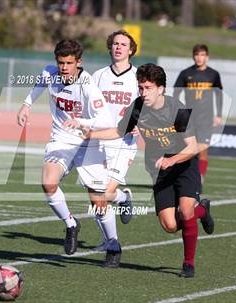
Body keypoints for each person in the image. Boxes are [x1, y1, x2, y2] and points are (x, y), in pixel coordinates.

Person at [74, 63, 215, 278]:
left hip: (185, 165)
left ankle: (188, 264)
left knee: (186, 211)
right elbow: (119, 131)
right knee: (169, 225)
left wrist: (173, 159)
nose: (143, 92)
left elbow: (193, 146)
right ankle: (202, 210)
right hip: (159, 170)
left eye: (148, 88)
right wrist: (91, 134)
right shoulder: (137, 107)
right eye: (141, 87)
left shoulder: (178, 108)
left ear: (161, 89)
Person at [17, 39, 122, 267]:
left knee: (98, 201)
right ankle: (71, 224)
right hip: (61, 140)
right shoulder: (50, 73)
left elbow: (105, 120)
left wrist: (81, 122)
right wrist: (26, 105)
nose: (64, 67)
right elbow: (39, 84)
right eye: (61, 62)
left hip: (88, 141)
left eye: (69, 63)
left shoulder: (88, 85)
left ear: (79, 62)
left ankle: (113, 244)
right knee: (48, 182)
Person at [91, 30, 139, 250]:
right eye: (115, 43)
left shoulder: (139, 77)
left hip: (124, 144)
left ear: (131, 50)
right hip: (99, 142)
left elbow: (151, 105)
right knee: (96, 199)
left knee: (104, 194)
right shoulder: (98, 76)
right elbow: (87, 103)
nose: (119, 47)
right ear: (110, 47)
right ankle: (110, 241)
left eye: (123, 44)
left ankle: (122, 199)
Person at [173, 44, 223, 184]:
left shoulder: (213, 74)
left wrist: (218, 115)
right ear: (193, 56)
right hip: (189, 118)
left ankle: (200, 178)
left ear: (207, 57)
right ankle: (184, 176)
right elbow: (176, 93)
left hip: (206, 119)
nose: (199, 58)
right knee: (187, 149)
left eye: (202, 55)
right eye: (196, 55)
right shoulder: (185, 73)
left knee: (202, 151)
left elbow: (219, 95)